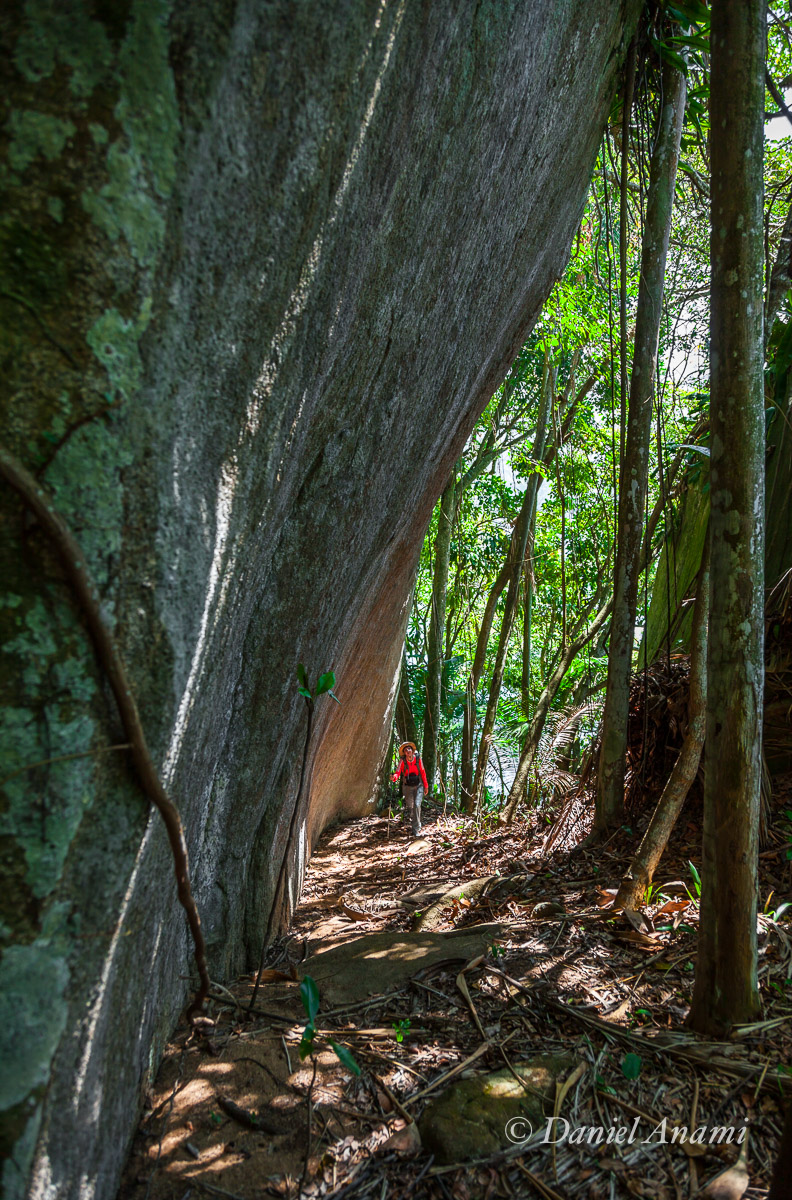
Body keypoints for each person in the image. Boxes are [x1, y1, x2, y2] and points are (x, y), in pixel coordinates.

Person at [391, 742, 427, 836]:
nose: (408, 751)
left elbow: (423, 772)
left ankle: (416, 829)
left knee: (417, 804)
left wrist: (426, 786)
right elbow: (398, 772)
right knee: (411, 807)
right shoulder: (402, 761)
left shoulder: (418, 759)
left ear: (412, 750)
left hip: (418, 785)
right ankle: (417, 821)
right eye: (406, 750)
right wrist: (394, 778)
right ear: (404, 753)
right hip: (407, 787)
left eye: (409, 749)